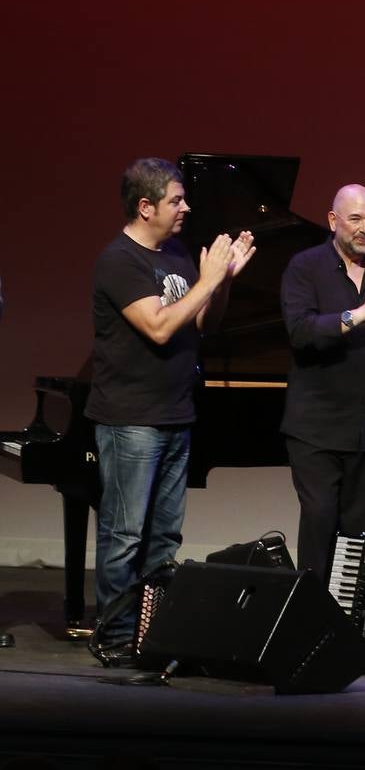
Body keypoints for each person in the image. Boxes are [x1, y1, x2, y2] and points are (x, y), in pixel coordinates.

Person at [87, 157, 253, 662]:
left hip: (176, 415)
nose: (186, 207)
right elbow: (159, 327)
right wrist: (207, 279)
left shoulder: (178, 254)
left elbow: (203, 323)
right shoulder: (119, 260)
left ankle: (151, 634)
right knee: (124, 534)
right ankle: (114, 638)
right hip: (131, 419)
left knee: (164, 536)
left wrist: (221, 281)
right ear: (145, 206)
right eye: (175, 200)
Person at [280, 184, 365, 588]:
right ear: (333, 221)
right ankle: (310, 620)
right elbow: (301, 331)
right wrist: (361, 313)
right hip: (317, 427)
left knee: (357, 536)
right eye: (355, 218)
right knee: (321, 520)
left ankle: (346, 625)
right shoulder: (305, 267)